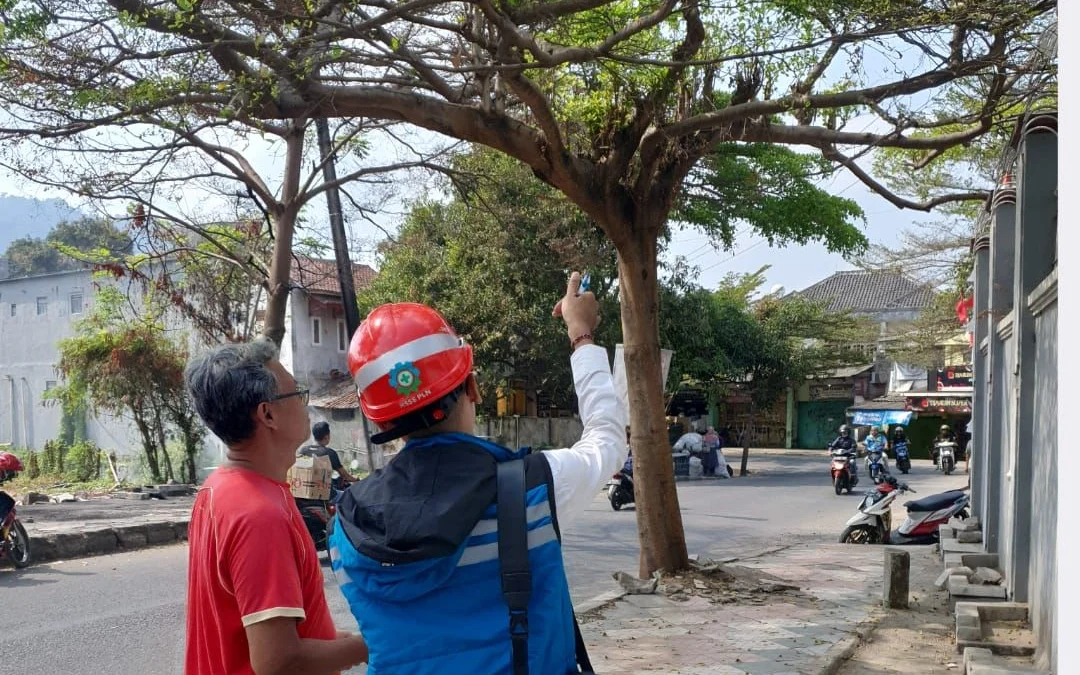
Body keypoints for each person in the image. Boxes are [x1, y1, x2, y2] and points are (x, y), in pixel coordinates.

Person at [328, 271, 626, 674]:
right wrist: (580, 334)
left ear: (381, 424)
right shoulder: (533, 488)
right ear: (473, 387)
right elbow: (607, 441)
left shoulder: (345, 527)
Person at [183, 339, 368, 675]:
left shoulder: (217, 490)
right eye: (296, 392)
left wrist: (339, 644)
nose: (304, 403)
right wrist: (374, 644)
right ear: (268, 414)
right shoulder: (259, 515)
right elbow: (279, 662)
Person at [299, 421, 359, 490]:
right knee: (346, 495)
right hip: (325, 494)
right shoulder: (329, 453)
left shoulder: (303, 450)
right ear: (326, 436)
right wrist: (356, 479)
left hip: (305, 490)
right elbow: (345, 476)